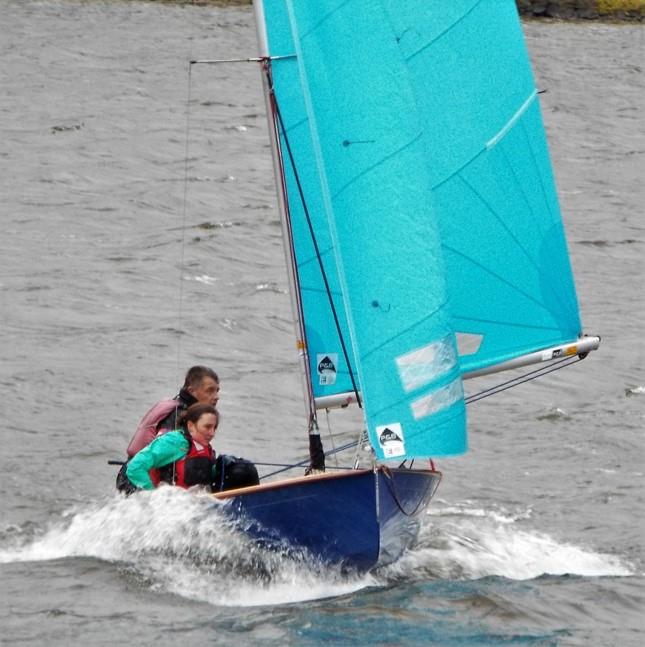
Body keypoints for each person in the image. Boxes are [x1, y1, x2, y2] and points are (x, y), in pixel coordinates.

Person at [125, 365, 219, 458]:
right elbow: (164, 454)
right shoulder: (178, 415)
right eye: (209, 391)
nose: (216, 397)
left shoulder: (184, 407)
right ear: (191, 391)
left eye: (217, 391)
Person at [124, 403, 219, 492]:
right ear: (190, 426)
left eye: (214, 428)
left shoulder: (206, 448)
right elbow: (135, 467)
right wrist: (153, 495)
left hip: (191, 504)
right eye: (207, 427)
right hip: (164, 504)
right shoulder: (174, 442)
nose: (212, 433)